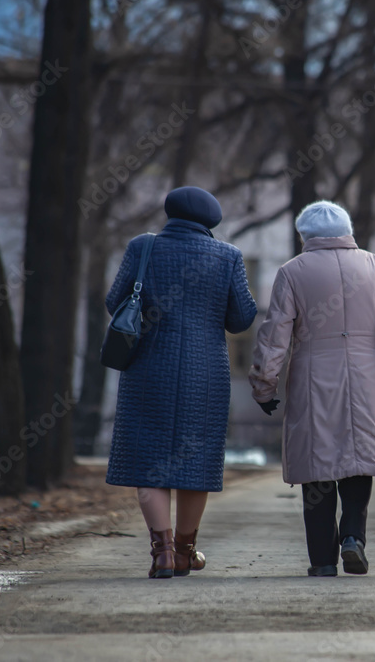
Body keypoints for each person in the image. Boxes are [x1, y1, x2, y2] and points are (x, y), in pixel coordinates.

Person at [250, 200, 375, 577]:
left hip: (313, 374)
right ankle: (353, 538)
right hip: (367, 375)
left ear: (304, 235)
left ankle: (322, 561)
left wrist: (264, 385)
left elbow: (275, 334)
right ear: (347, 231)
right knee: (357, 459)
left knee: (317, 464)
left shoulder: (292, 272)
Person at [105, 186, 257, 578]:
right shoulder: (228, 256)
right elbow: (241, 319)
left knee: (148, 462)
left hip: (147, 368)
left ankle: (163, 553)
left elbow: (114, 301)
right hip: (204, 372)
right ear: (211, 221)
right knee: (196, 461)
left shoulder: (143, 247)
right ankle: (187, 551)